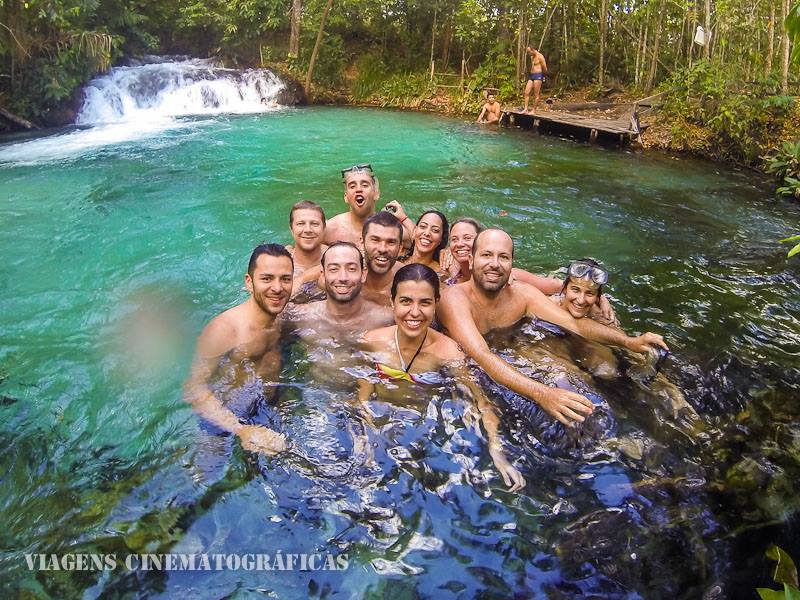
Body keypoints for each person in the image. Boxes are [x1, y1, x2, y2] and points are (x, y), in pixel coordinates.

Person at [437, 228, 669, 427]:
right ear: (471, 259)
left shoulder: (522, 293)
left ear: (511, 264)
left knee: (604, 382)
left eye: (503, 257)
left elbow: (573, 324)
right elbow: (481, 355)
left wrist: (628, 341)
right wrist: (542, 394)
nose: (494, 264)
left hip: (521, 357)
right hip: (480, 376)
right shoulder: (454, 299)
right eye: (486, 255)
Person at [359, 264, 526, 491]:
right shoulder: (372, 341)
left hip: (426, 430)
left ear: (436, 303)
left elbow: (481, 402)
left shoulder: (448, 353)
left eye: (425, 303)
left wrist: (497, 452)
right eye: (406, 301)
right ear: (393, 302)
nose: (415, 312)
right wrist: (367, 441)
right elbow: (362, 401)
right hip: (381, 425)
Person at [184, 243, 293, 455]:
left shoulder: (282, 319)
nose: (278, 288)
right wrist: (241, 430)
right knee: (206, 482)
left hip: (267, 410)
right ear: (249, 282)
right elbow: (193, 389)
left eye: (285, 279)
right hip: (222, 422)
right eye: (267, 278)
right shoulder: (225, 330)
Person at [288, 241, 393, 344]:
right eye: (334, 269)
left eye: (351, 269)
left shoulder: (386, 319)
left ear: (363, 274)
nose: (343, 277)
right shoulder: (301, 316)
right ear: (323, 275)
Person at [324, 164, 414, 247]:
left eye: (364, 185)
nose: (358, 189)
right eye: (352, 186)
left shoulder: (391, 229)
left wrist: (404, 218)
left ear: (376, 194)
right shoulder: (330, 229)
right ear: (345, 197)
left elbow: (420, 243)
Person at [360, 211, 404, 306]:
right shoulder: (342, 276)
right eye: (375, 240)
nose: (382, 249)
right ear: (362, 243)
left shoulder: (409, 281)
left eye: (391, 242)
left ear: (400, 248)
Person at [286, 200, 327, 294]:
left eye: (314, 224)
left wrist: (302, 279)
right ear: (291, 229)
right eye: (300, 223)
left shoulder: (337, 255)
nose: (308, 230)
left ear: (324, 227)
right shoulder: (280, 262)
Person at [401, 210, 449, 277]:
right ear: (415, 231)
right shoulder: (399, 257)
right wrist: (402, 217)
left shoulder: (441, 274)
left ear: (441, 239)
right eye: (423, 226)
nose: (427, 233)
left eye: (435, 230)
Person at [523, 46, 548, 114]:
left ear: (533, 50)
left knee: (536, 94)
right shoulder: (532, 57)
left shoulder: (540, 57)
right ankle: (525, 109)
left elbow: (545, 68)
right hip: (532, 75)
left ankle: (534, 110)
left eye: (529, 52)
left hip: (538, 75)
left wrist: (543, 76)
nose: (528, 54)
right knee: (526, 92)